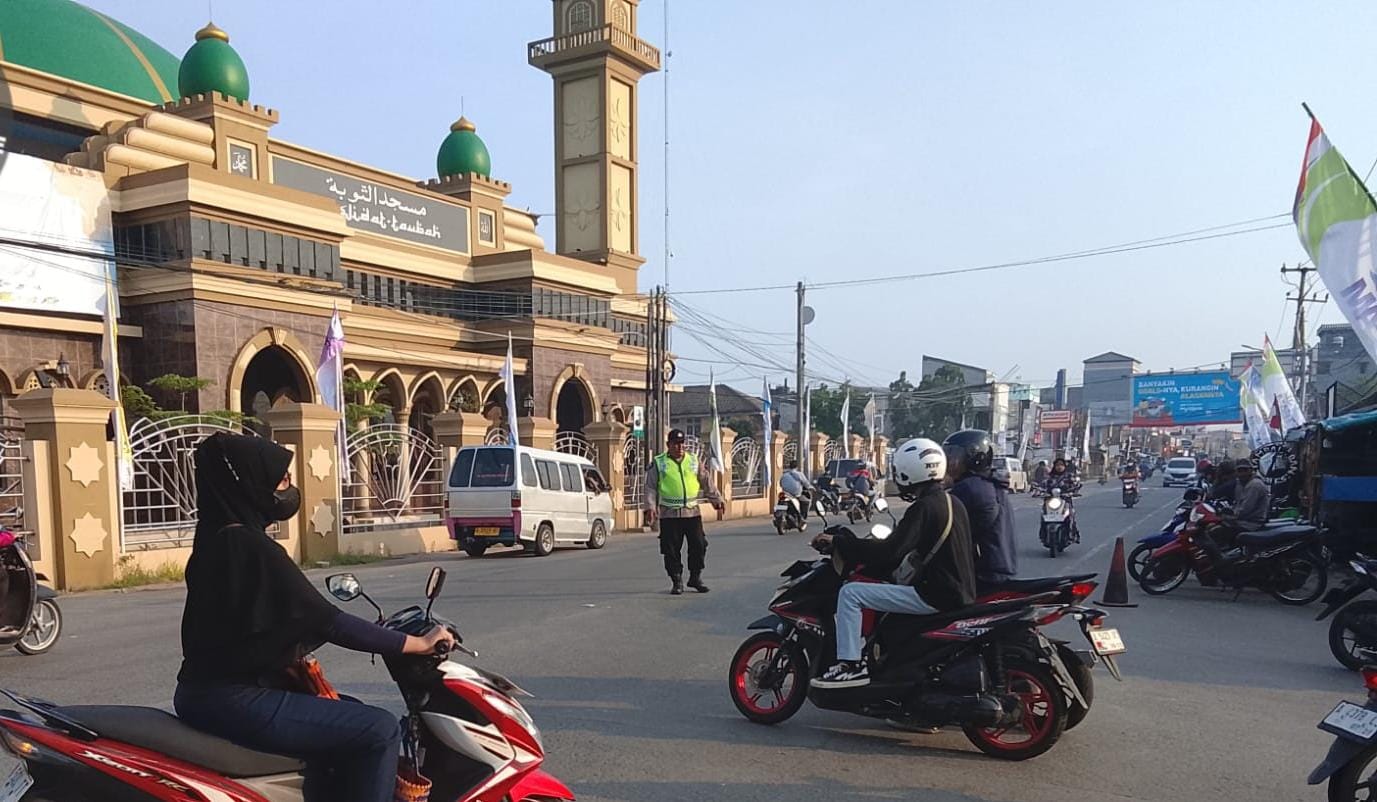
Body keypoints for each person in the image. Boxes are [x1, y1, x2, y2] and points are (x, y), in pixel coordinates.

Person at [174, 433, 455, 802]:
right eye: (281, 481)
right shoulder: (251, 547)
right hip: (234, 698)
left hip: (205, 694)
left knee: (350, 711)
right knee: (380, 730)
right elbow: (328, 621)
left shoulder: (214, 539)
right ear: (250, 485)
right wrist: (417, 644)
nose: (289, 489)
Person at [811, 438, 976, 689]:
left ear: (909, 472)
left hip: (935, 595)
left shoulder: (924, 508)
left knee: (850, 593)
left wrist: (839, 543)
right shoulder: (953, 503)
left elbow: (890, 551)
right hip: (958, 590)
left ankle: (851, 665)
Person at [644, 428, 725, 595]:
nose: (679, 447)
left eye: (682, 443)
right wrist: (650, 507)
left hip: (692, 513)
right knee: (671, 549)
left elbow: (706, 481)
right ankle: (676, 580)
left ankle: (695, 577)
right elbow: (650, 487)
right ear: (668, 445)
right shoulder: (659, 463)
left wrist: (716, 500)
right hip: (669, 514)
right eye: (675, 444)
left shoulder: (693, 460)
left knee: (699, 545)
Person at [942, 430, 1017, 592]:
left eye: (954, 456)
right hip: (999, 569)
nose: (949, 463)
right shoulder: (992, 484)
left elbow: (942, 526)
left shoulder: (969, 488)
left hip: (980, 575)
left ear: (974, 458)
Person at [1231, 460, 1270, 531]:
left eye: (1245, 470)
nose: (1242, 473)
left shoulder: (1254, 484)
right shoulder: (1240, 484)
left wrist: (1231, 516)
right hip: (1243, 521)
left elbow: (1245, 509)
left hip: (1252, 523)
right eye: (1240, 471)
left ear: (1251, 470)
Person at [779, 460, 813, 528]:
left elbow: (780, 483)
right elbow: (806, 483)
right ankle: (802, 518)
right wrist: (811, 487)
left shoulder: (784, 475)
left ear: (789, 466)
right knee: (805, 502)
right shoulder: (799, 474)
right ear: (797, 467)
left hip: (785, 493)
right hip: (795, 494)